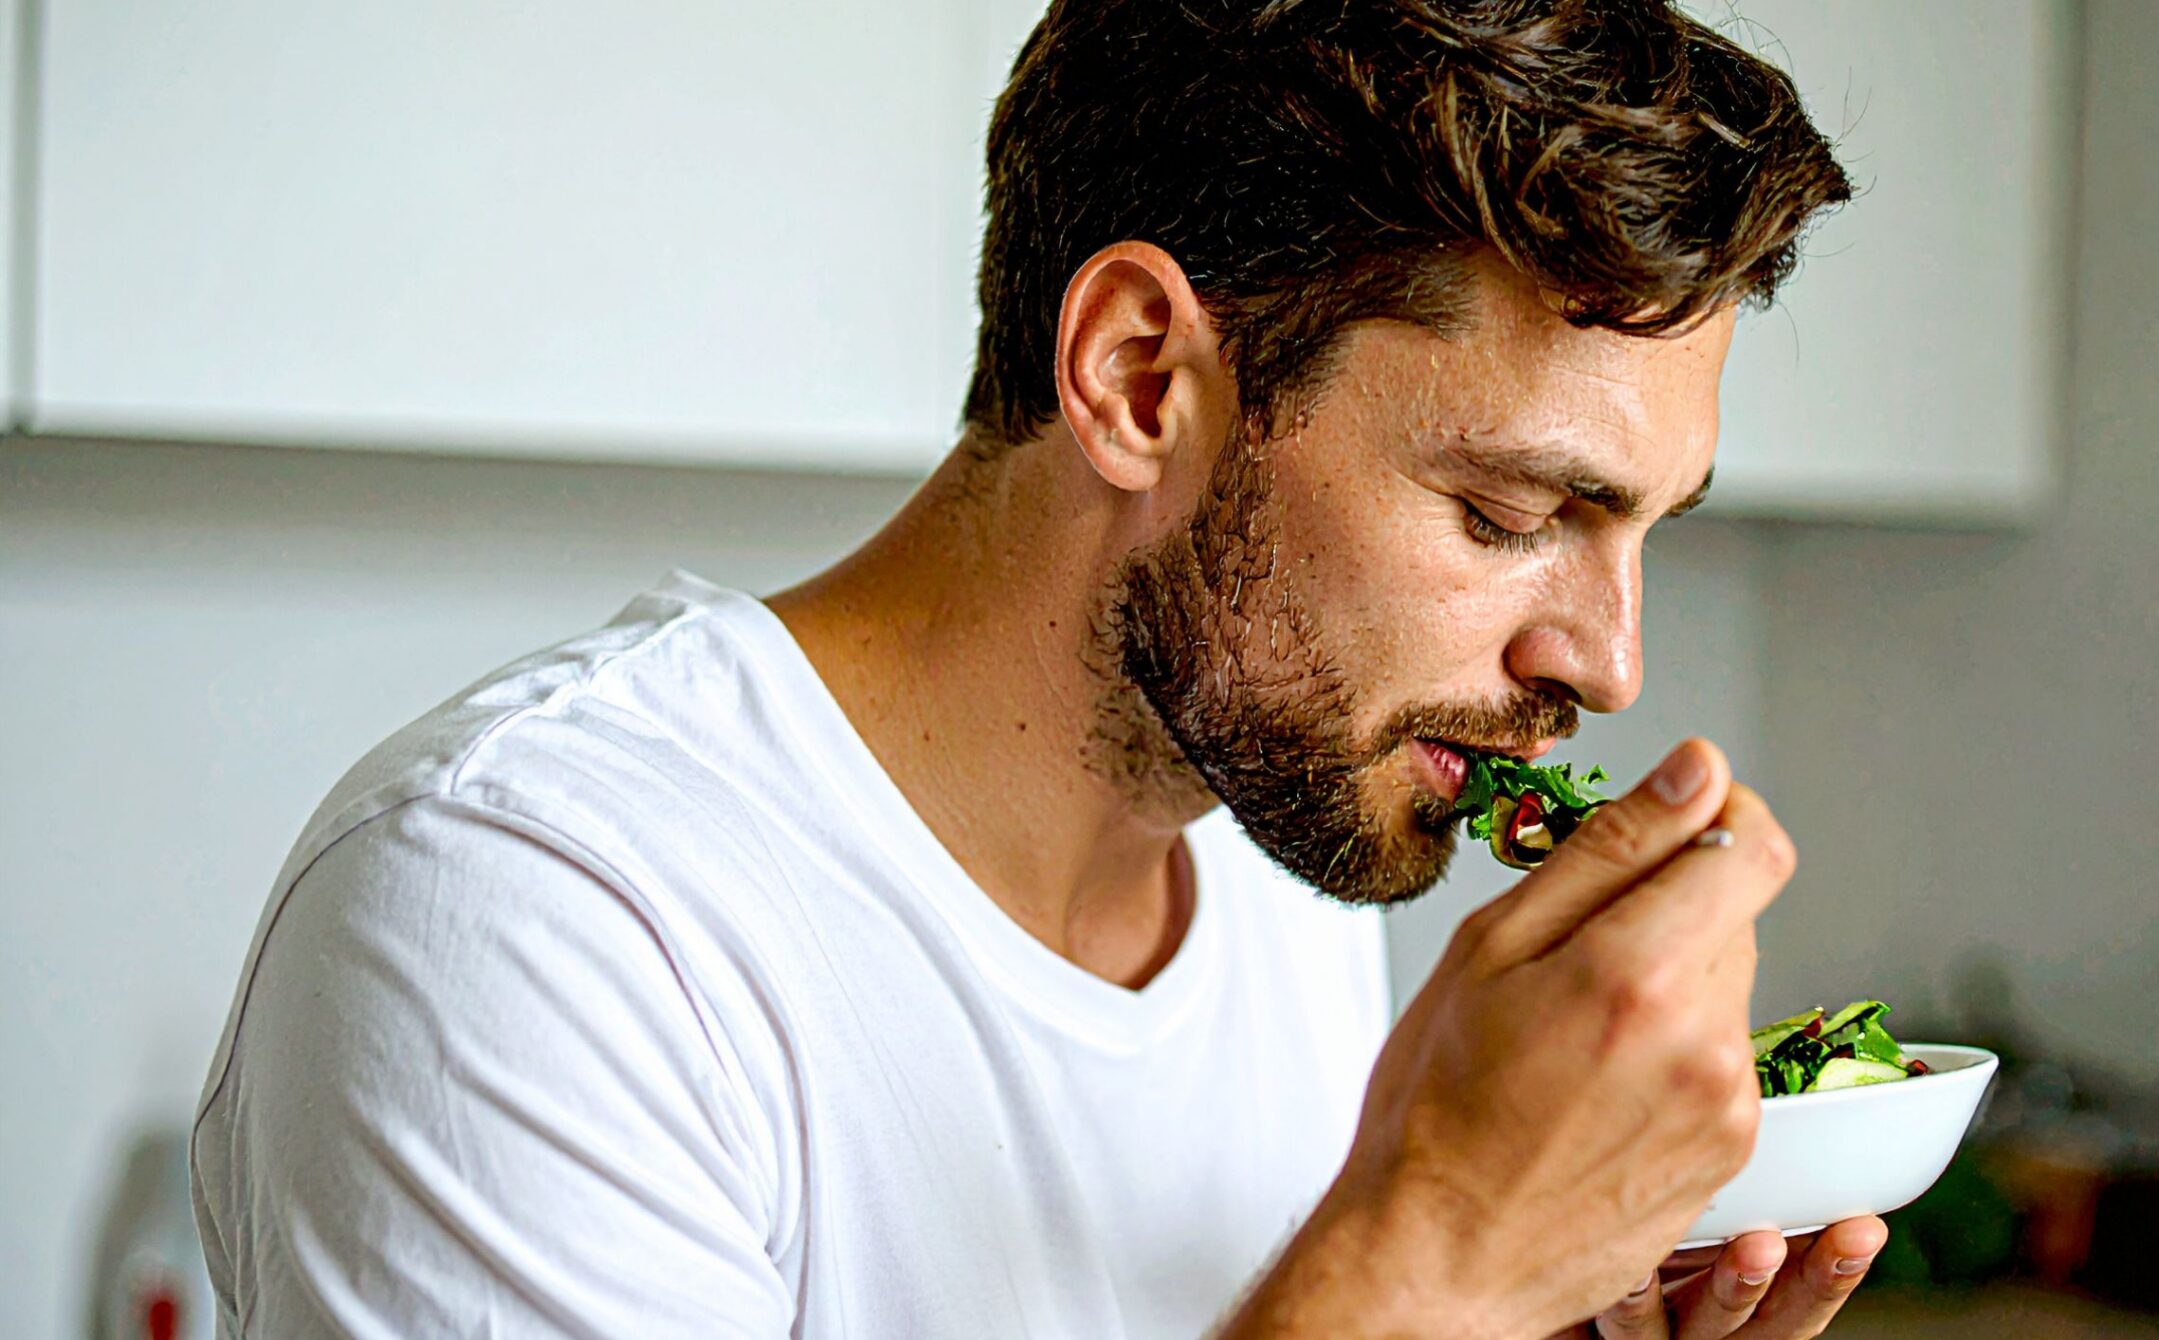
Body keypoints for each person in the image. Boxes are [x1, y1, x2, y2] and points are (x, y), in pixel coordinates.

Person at [190, 1, 1873, 1335]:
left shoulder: (1281, 836)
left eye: (1645, 530)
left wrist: (1516, 1307)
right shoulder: (534, 917)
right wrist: (1428, 1260)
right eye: (1512, 512)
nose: (1609, 661)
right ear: (1143, 381)